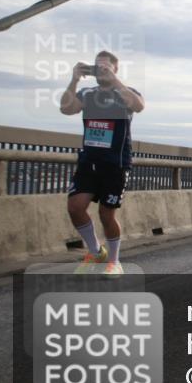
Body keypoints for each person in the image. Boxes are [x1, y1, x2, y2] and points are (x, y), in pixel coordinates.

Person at [60, 51, 145, 278]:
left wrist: (114, 80)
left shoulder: (125, 92)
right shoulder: (88, 93)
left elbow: (138, 106)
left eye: (106, 67)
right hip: (89, 161)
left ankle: (114, 261)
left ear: (115, 69)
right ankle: (96, 252)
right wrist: (74, 79)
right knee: (75, 207)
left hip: (115, 163)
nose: (101, 70)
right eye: (97, 67)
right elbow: (66, 108)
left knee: (106, 214)